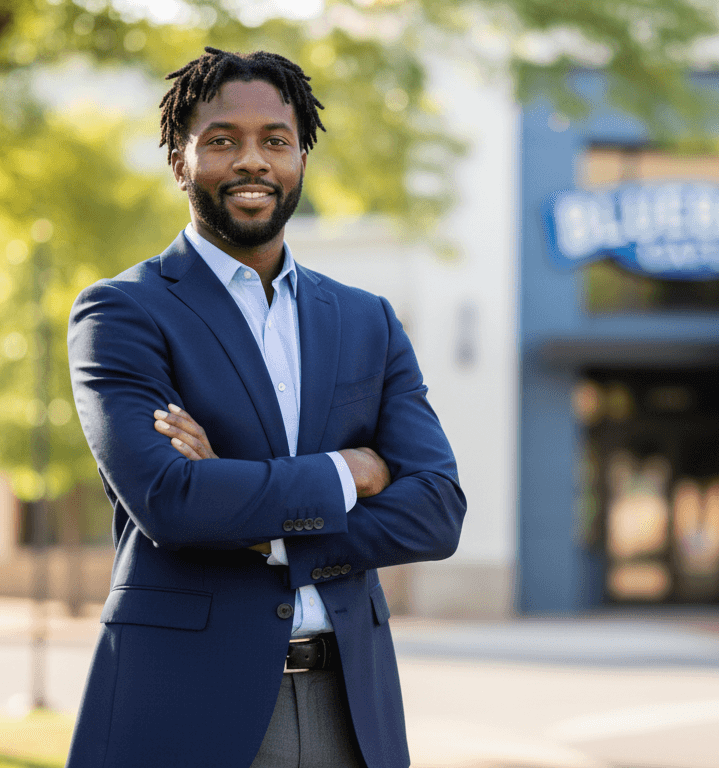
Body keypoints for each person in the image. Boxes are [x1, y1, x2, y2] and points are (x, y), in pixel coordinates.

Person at [65, 48, 467, 768]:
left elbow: (437, 509)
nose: (252, 161)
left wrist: (262, 519)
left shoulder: (366, 320)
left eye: (275, 141)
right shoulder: (122, 314)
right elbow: (174, 501)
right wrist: (349, 471)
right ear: (180, 160)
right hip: (186, 707)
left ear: (301, 158)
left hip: (351, 707)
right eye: (222, 140)